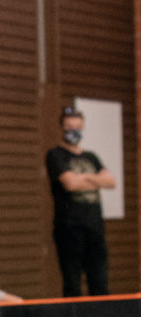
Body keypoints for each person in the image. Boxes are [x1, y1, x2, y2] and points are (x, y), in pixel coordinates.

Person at [46, 107, 115, 296]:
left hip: (95, 227)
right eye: (69, 127)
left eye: (77, 127)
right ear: (62, 128)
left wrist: (82, 178)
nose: (74, 131)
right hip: (69, 228)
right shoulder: (56, 155)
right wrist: (95, 179)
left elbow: (111, 181)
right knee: (73, 285)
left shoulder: (91, 157)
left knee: (99, 283)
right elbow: (70, 184)